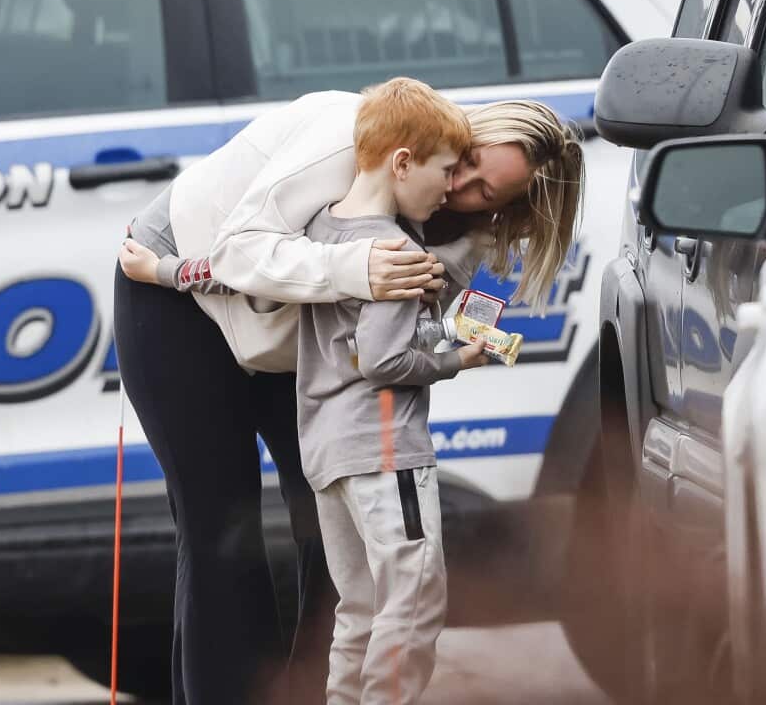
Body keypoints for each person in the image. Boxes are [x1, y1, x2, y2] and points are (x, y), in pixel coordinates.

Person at [114, 88, 584, 705]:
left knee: (330, 527)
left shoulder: (450, 217)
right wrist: (358, 269)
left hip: (296, 334)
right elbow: (236, 251)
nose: (459, 187)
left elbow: (395, 333)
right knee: (221, 530)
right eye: (466, 161)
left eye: (485, 193)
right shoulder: (353, 137)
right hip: (181, 300)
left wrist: (454, 285)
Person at [295, 77, 487, 705]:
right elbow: (383, 360)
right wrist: (456, 359)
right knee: (413, 597)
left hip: (328, 449)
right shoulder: (396, 250)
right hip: (383, 447)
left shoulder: (320, 231)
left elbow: (360, 344)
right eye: (447, 171)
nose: (451, 187)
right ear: (403, 163)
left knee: (359, 608)